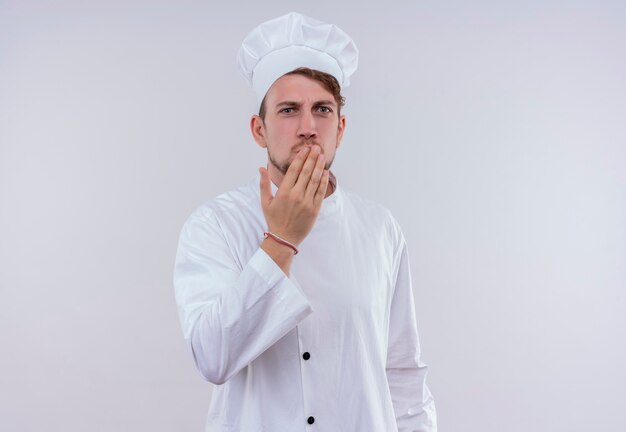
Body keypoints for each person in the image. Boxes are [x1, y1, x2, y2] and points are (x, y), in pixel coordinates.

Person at [174, 12, 437, 432]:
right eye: (289, 110)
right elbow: (212, 357)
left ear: (341, 127)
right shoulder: (215, 225)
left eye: (322, 110)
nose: (308, 127)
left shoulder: (380, 228)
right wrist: (280, 241)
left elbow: (402, 372)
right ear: (259, 130)